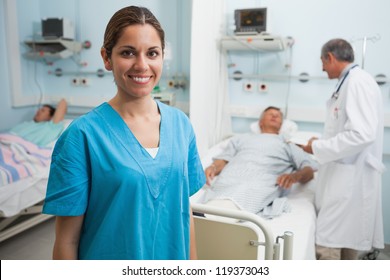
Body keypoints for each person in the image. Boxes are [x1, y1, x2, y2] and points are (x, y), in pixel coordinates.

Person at [42, 6, 205, 260]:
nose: (142, 65)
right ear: (107, 58)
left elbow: (185, 214)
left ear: (162, 57)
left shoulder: (181, 126)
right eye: (128, 53)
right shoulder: (82, 136)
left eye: (152, 53)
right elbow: (67, 241)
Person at [302, 38, 385, 260]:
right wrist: (320, 143)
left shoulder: (358, 82)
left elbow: (361, 134)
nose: (321, 68)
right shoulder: (349, 82)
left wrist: (316, 147)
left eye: (322, 62)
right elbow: (345, 130)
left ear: (330, 57)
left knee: (328, 242)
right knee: (345, 241)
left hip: (350, 179)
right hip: (345, 176)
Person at [202, 106, 318, 218]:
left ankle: (215, 216)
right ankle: (213, 214)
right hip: (232, 175)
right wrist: (213, 167)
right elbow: (224, 159)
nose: (274, 116)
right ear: (260, 122)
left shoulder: (288, 143)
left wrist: (295, 176)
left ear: (281, 125)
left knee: (244, 190)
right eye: (270, 114)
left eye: (278, 116)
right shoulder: (240, 138)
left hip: (263, 179)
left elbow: (308, 170)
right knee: (220, 190)